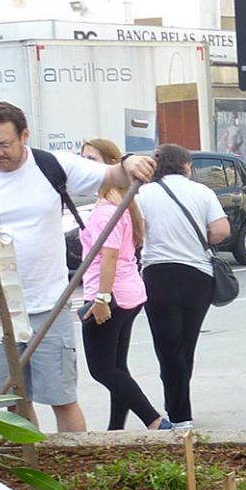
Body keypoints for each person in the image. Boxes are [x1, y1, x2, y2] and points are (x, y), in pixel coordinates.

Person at [0, 102, 154, 434]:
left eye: (4, 144)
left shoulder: (51, 165)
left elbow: (114, 175)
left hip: (50, 306)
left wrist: (130, 162)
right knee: (12, 402)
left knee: (62, 397)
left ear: (24, 136)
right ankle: (30, 459)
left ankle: (73, 462)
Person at [76, 138, 166, 431]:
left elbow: (110, 257)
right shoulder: (121, 205)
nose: (85, 166)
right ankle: (116, 430)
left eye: (92, 160)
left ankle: (155, 421)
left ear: (113, 166)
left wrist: (102, 299)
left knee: (102, 370)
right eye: (82, 159)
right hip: (129, 294)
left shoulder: (107, 210)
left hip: (110, 296)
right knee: (116, 367)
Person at [139, 142, 230, 429]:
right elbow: (221, 230)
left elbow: (137, 233)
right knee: (186, 345)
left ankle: (180, 415)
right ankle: (177, 403)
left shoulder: (143, 193)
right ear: (186, 166)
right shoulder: (203, 192)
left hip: (158, 275)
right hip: (198, 276)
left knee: (167, 347)